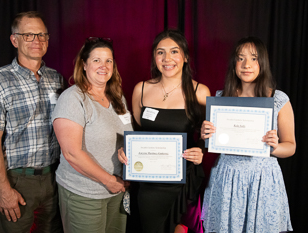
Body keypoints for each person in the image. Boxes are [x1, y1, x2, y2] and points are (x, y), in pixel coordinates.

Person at [118, 29, 211, 233]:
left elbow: (208, 134)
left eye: (174, 52)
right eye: (160, 52)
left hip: (183, 184)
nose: (167, 58)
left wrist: (202, 151)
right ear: (154, 57)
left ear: (185, 57)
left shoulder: (200, 92)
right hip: (149, 185)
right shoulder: (140, 89)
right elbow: (136, 131)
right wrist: (126, 151)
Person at [201, 36, 295, 232]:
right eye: (240, 58)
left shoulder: (278, 99)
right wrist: (206, 135)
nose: (246, 65)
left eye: (253, 58)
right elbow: (213, 143)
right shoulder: (221, 98)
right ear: (234, 63)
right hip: (227, 178)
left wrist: (275, 147)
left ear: (263, 63)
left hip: (263, 179)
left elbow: (291, 147)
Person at [0, 11, 64, 232]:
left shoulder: (56, 78)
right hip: (18, 181)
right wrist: (4, 190)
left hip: (54, 179)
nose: (37, 41)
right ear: (14, 40)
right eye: (29, 35)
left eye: (41, 35)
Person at [52, 37, 133, 233]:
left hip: (117, 191)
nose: (103, 66)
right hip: (85, 194)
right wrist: (108, 181)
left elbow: (127, 137)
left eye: (109, 60)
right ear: (84, 65)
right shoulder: (73, 98)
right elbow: (72, 153)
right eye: (96, 60)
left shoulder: (117, 97)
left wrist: (128, 157)